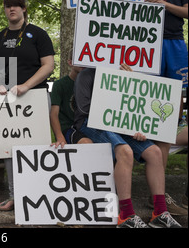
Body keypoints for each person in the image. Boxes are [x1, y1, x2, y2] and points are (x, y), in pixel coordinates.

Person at [73, 65, 182, 228]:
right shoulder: (87, 75)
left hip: (120, 125)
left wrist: (137, 126)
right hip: (90, 123)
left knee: (155, 153)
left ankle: (159, 212)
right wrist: (123, 124)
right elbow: (85, 109)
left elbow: (140, 110)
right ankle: (126, 216)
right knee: (125, 152)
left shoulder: (128, 73)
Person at [0, 0, 55, 211]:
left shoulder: (37, 34)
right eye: (8, 6)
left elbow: (48, 65)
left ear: (23, 8)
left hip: (36, 96)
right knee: (10, 148)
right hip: (8, 101)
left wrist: (27, 85)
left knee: (38, 148)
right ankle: (16, 196)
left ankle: (41, 195)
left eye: (16, 5)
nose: (12, 9)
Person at [145, 0, 188, 215]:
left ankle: (175, 126)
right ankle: (151, 127)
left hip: (175, 43)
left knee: (177, 94)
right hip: (148, 44)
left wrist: (162, 4)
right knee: (152, 93)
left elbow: (186, 13)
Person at [50, 57, 92, 148]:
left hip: (87, 126)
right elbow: (54, 114)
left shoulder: (93, 84)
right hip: (69, 128)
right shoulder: (60, 85)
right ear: (70, 62)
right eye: (79, 59)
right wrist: (59, 136)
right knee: (86, 143)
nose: (83, 63)